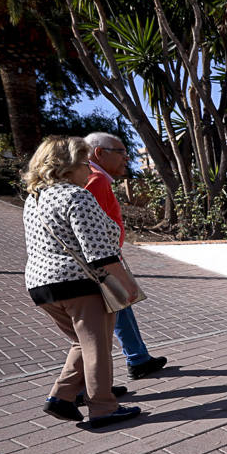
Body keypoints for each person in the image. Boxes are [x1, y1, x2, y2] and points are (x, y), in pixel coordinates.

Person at [23, 136, 142, 426]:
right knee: (98, 347)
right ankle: (103, 408)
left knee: (83, 343)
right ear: (66, 166)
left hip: (41, 285)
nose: (90, 171)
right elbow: (99, 253)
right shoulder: (78, 196)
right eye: (85, 164)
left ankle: (61, 398)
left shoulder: (34, 198)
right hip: (78, 283)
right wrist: (127, 285)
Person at [83, 133, 168, 380]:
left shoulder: (96, 178)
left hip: (104, 258)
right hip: (102, 261)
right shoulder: (95, 180)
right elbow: (89, 227)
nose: (127, 157)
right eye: (121, 152)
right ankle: (79, 390)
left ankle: (138, 358)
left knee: (121, 308)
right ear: (100, 153)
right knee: (105, 319)